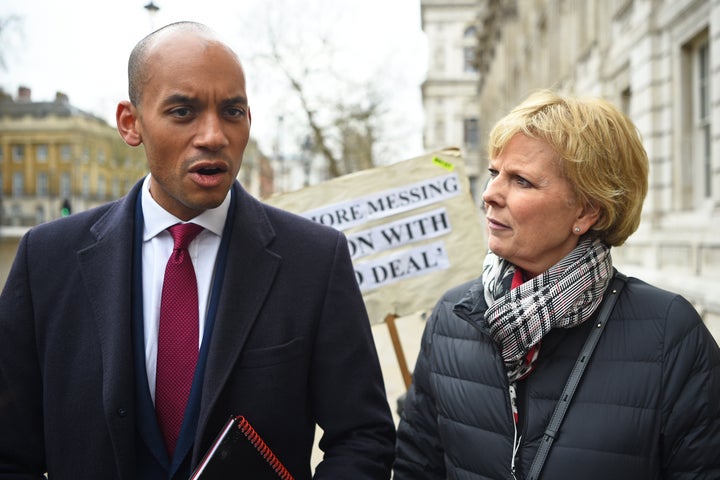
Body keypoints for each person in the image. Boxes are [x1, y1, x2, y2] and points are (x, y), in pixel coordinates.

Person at [0, 21, 395, 480]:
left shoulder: (315, 260)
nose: (213, 136)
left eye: (232, 111)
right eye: (183, 112)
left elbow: (363, 437)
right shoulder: (46, 260)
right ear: (131, 123)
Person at [393, 89, 720, 479]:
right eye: (495, 173)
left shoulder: (670, 332)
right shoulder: (452, 316)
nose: (489, 194)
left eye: (522, 181)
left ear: (586, 210)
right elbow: (416, 467)